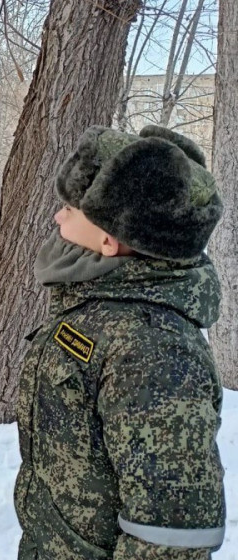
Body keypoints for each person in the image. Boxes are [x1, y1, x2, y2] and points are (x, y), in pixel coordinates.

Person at [15, 125, 226, 560]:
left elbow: (170, 535)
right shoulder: (102, 307)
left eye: (70, 209)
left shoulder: (155, 350)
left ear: (109, 240)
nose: (58, 218)